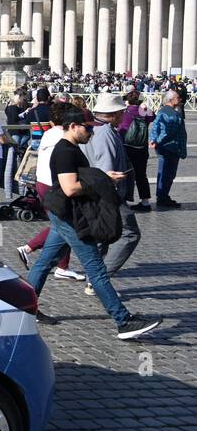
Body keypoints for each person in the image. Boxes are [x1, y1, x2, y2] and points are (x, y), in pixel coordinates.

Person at [25, 109, 162, 341]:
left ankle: (23, 309)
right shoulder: (65, 151)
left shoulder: (70, 148)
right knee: (96, 269)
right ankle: (123, 321)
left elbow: (81, 178)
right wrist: (104, 179)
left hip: (61, 212)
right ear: (73, 126)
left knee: (45, 262)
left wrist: (100, 174)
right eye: (87, 128)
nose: (91, 132)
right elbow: (70, 188)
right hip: (68, 215)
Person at [16, 102, 79, 281]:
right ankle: (28, 248)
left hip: (41, 182)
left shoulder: (49, 133)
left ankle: (62, 265)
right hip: (53, 183)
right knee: (63, 225)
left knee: (63, 223)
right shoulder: (62, 135)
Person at [85, 93, 141, 294]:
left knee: (102, 236)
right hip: (108, 192)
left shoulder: (95, 128)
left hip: (97, 190)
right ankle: (99, 278)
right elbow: (106, 168)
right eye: (121, 112)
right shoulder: (105, 134)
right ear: (115, 113)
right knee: (130, 234)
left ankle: (94, 279)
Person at [150, 89, 187, 208]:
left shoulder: (162, 110)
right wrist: (158, 141)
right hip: (170, 148)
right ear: (171, 100)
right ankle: (163, 197)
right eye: (177, 98)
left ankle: (162, 195)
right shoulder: (172, 114)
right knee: (168, 173)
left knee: (163, 172)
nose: (179, 99)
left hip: (164, 148)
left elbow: (155, 127)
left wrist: (154, 139)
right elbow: (167, 132)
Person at [119, 89, 154, 211]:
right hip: (142, 148)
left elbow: (118, 126)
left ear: (128, 100)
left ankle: (124, 199)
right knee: (141, 174)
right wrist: (145, 108)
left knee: (124, 173)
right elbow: (152, 117)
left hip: (126, 147)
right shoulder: (143, 111)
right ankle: (145, 202)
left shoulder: (124, 112)